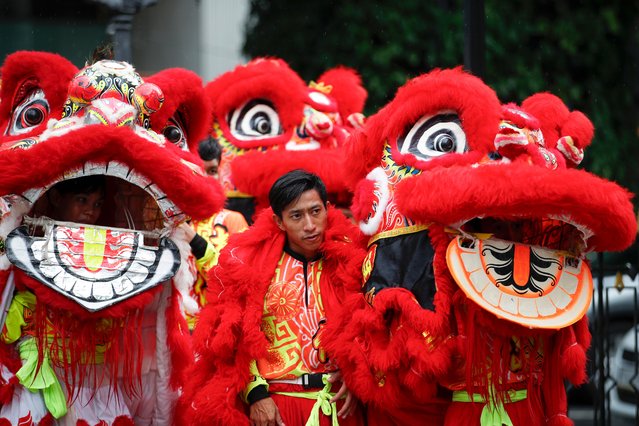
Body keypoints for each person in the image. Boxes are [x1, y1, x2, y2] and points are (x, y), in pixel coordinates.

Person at [176, 170, 367, 426]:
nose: (309, 225)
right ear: (279, 221)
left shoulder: (353, 264)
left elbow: (369, 326)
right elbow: (235, 336)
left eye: (316, 211)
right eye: (296, 216)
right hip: (276, 407)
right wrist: (255, 394)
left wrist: (358, 373)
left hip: (338, 406)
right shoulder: (256, 268)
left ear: (328, 209)